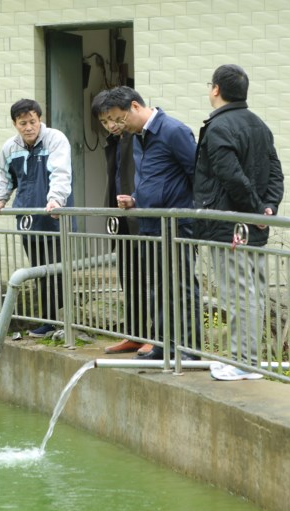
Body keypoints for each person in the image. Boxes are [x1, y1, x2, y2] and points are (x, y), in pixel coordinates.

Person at [193, 64, 285, 381]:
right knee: (252, 293)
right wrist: (267, 208)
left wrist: (256, 209)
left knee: (238, 295)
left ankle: (244, 362)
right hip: (253, 224)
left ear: (216, 89)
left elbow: (230, 176)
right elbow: (275, 172)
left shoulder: (219, 127)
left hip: (229, 224)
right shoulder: (259, 124)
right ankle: (246, 360)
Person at [108, 86, 201, 361]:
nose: (118, 125)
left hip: (176, 224)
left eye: (120, 118)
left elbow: (198, 175)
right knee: (158, 287)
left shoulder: (174, 131)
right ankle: (163, 345)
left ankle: (189, 349)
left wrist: (194, 215)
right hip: (150, 222)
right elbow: (154, 178)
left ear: (135, 106)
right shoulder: (139, 137)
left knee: (182, 287)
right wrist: (135, 199)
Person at [0, 98, 73, 338]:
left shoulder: (55, 139)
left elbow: (61, 173)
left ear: (40, 119)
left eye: (32, 122)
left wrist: (56, 200)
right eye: (22, 123)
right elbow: (5, 178)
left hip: (54, 217)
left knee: (56, 269)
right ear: (15, 124)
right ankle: (48, 321)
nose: (28, 127)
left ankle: (60, 322)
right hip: (27, 218)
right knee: (38, 270)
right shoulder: (10, 148)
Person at [91, 89, 152, 355]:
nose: (111, 125)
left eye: (114, 119)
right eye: (104, 122)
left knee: (151, 279)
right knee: (129, 278)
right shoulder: (113, 141)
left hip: (142, 215)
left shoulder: (138, 136)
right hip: (121, 217)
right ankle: (135, 335)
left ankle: (156, 336)